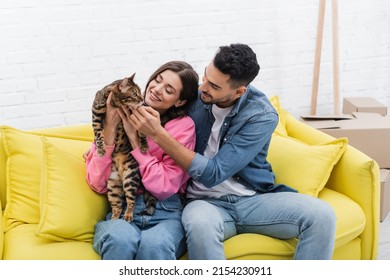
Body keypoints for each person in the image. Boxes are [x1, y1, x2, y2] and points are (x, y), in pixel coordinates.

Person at [127, 43, 337, 260]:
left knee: (323, 216)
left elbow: (213, 174)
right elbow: (159, 101)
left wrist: (159, 134)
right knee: (200, 224)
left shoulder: (261, 115)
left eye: (214, 86)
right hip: (203, 203)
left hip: (252, 199)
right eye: (206, 76)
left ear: (239, 91)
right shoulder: (197, 97)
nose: (203, 88)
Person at [84, 61, 199, 260]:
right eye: (157, 80)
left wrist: (137, 144)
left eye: (169, 89)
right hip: (122, 210)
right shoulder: (118, 113)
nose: (156, 89)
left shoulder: (183, 127)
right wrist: (109, 131)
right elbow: (98, 183)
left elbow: (163, 187)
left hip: (166, 212)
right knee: (120, 239)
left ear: (179, 101)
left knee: (155, 244)